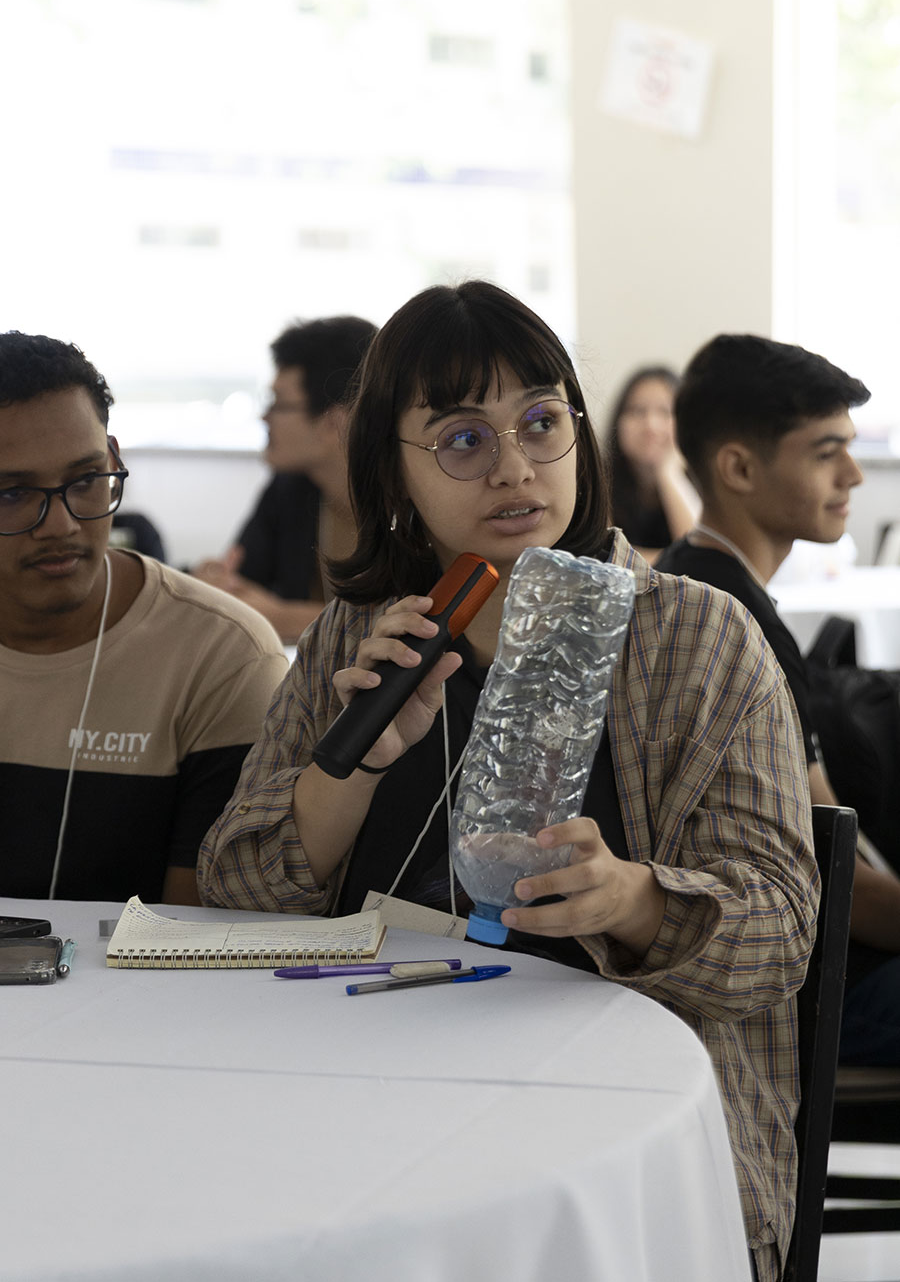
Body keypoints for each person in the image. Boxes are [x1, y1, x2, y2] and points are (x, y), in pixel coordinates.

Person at [199, 281, 818, 1282]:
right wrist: (356, 762)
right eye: (462, 439)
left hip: (613, 1125)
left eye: (540, 422)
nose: (515, 468)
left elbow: (781, 936)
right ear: (392, 471)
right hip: (365, 1094)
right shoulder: (360, 636)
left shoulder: (695, 638)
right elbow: (238, 896)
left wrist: (630, 900)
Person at [656, 331, 900, 1066]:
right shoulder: (728, 622)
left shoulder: (705, 584)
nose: (853, 474)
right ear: (738, 467)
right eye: (827, 452)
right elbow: (831, 871)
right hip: (809, 993)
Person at [0, 331, 288, 905]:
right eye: (12, 494)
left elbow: (192, 931)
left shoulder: (221, 655)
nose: (61, 525)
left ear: (113, 460)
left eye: (86, 480)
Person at [193, 315, 377, 642]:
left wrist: (283, 617)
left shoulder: (411, 502)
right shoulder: (290, 488)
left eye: (278, 403)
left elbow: (417, 621)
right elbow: (243, 586)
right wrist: (214, 585)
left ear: (333, 423)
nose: (264, 417)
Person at [605, 364, 697, 563]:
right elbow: (604, 556)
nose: (651, 425)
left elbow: (701, 557)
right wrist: (675, 561)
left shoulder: (706, 483)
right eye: (637, 411)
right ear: (619, 421)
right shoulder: (599, 481)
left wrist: (668, 473)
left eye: (665, 412)